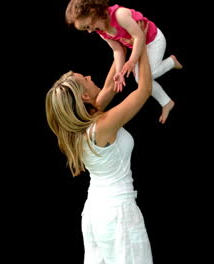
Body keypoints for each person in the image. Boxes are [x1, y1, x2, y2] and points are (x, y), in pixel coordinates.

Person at [45, 46, 154, 263]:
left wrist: (121, 46)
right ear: (84, 95)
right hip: (117, 215)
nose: (90, 76)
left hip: (97, 212)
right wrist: (140, 46)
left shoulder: (79, 128)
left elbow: (109, 86)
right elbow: (144, 91)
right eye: (85, 78)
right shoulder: (102, 126)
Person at [65, 0, 183, 124]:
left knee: (148, 75)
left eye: (87, 26)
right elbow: (118, 51)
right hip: (139, 47)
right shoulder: (102, 32)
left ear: (93, 12)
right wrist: (119, 72)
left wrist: (132, 61)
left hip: (154, 41)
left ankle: (171, 62)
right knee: (141, 78)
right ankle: (167, 102)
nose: (89, 31)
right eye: (86, 29)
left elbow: (139, 36)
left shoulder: (119, 15)